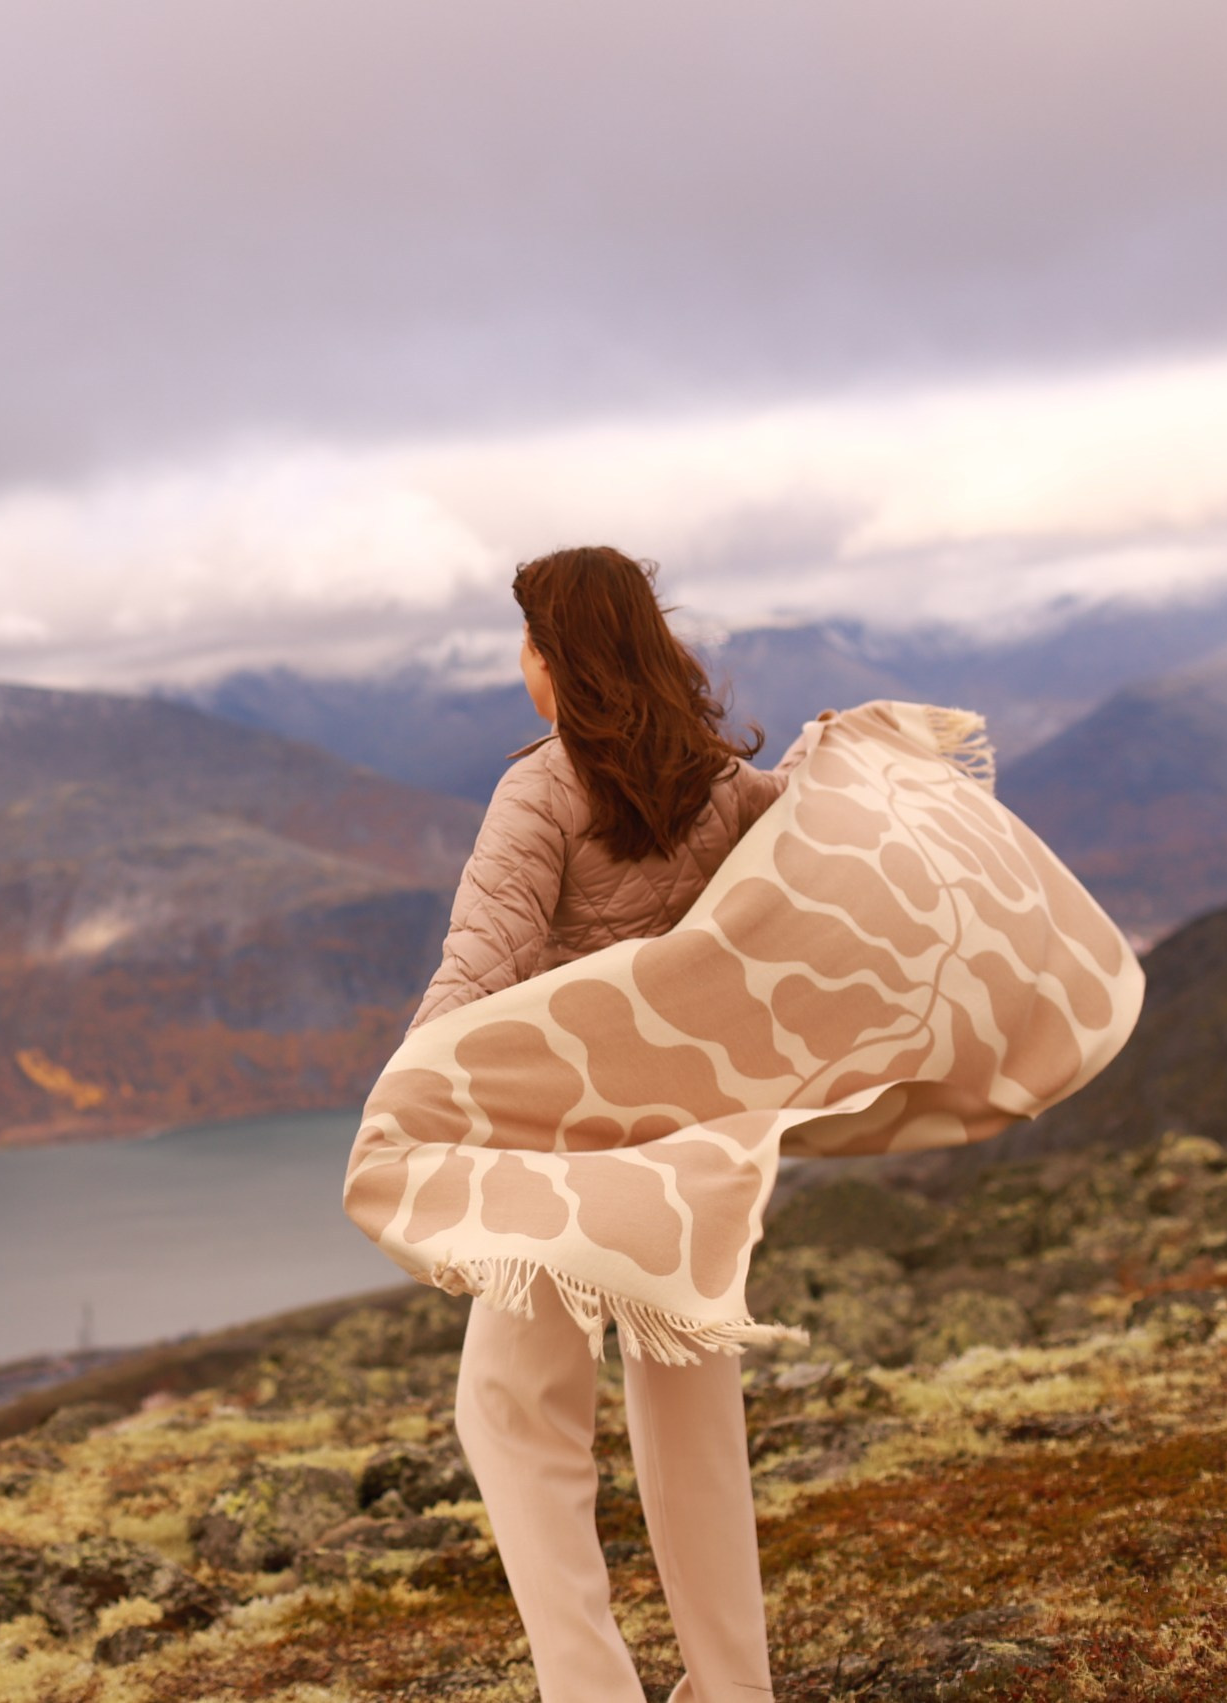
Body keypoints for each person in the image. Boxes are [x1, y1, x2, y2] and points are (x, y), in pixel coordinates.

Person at [412, 545, 808, 1703]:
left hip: (571, 1162)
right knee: (690, 1416)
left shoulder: (541, 788)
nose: (519, 661)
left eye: (527, 639)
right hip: (702, 1154)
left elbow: (475, 973)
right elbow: (802, 894)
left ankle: (589, 1689)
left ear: (558, 655)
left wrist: (406, 1102)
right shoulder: (727, 784)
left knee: (510, 1410)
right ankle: (732, 1689)